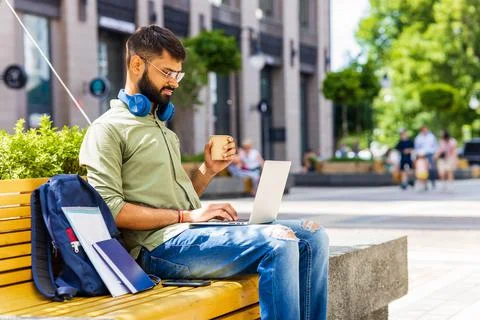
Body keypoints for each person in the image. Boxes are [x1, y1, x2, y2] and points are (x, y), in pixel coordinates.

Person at [79, 26, 329, 320]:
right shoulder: (107, 129)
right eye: (167, 72)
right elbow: (111, 210)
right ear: (137, 65)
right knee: (280, 241)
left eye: (178, 75)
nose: (174, 82)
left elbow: (180, 201)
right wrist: (188, 217)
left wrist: (208, 170)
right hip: (154, 250)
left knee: (313, 236)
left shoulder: (160, 126)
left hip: (186, 236)